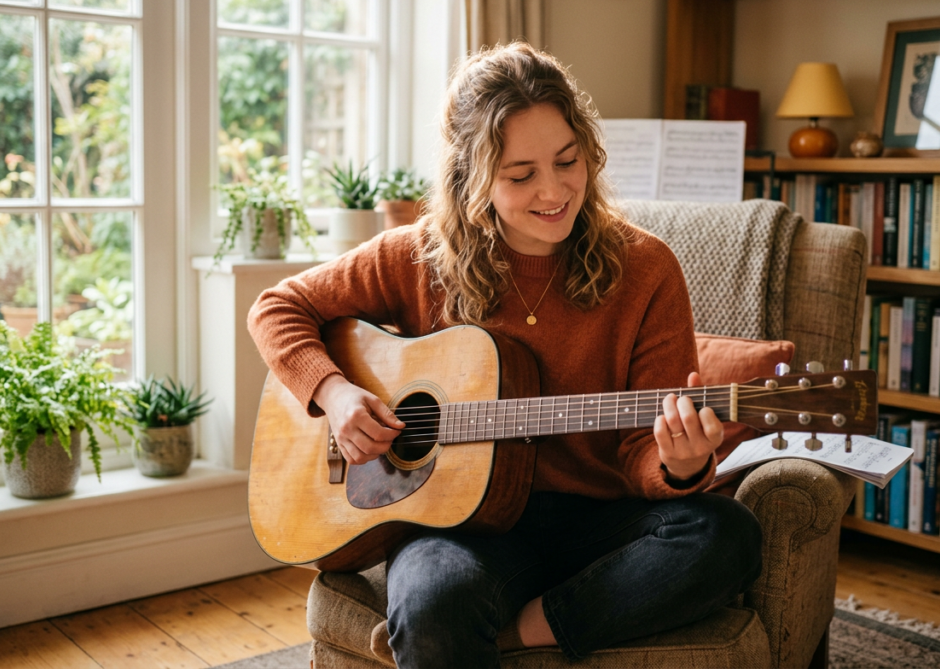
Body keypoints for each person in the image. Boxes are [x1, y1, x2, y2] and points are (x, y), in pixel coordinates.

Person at [247, 42, 762, 668]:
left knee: (726, 536)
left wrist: (679, 465)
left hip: (600, 524)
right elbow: (276, 307)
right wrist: (334, 391)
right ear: (472, 177)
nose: (554, 191)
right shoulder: (414, 256)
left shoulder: (646, 268)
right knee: (433, 600)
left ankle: (520, 630)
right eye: (520, 175)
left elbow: (641, 452)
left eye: (568, 161)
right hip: (460, 530)